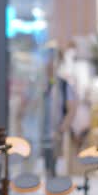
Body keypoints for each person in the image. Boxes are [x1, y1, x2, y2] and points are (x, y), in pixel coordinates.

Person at [41, 52, 77, 180]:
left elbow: (71, 109)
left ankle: (49, 192)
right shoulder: (38, 83)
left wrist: (62, 129)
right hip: (37, 133)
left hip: (54, 132)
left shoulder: (63, 85)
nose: (50, 64)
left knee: (52, 164)